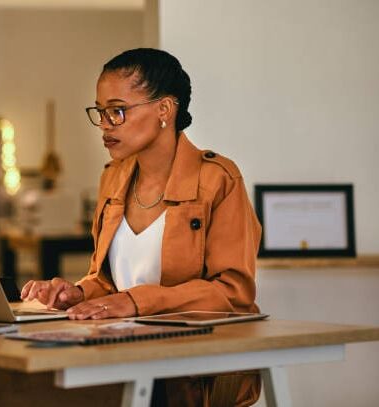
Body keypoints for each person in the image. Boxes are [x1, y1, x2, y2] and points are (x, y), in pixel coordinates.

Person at [21, 48, 261, 406]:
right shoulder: (113, 179)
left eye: (117, 111)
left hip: (193, 376)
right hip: (121, 364)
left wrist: (136, 302)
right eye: (100, 112)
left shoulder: (219, 179)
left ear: (165, 110)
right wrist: (79, 293)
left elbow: (233, 292)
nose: (105, 124)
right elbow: (108, 281)